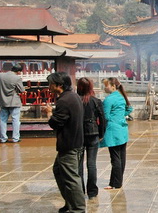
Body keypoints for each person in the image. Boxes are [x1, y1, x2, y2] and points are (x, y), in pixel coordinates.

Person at [45, 72, 85, 213]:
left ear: (59, 85)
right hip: (76, 141)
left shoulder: (64, 101)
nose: (49, 87)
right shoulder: (73, 96)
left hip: (69, 144)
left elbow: (56, 123)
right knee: (59, 171)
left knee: (71, 178)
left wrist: (49, 113)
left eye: (51, 84)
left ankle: (78, 208)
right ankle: (70, 203)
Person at [100, 77, 133, 189]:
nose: (105, 88)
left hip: (113, 130)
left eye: (106, 85)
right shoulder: (121, 97)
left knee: (115, 158)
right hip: (122, 129)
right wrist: (120, 117)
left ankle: (115, 183)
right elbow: (129, 109)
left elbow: (105, 116)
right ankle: (117, 182)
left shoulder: (109, 99)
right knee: (122, 156)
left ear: (113, 86)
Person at [76, 77, 106, 200]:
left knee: (78, 164)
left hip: (79, 134)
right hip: (93, 133)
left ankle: (80, 190)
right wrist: (101, 133)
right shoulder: (96, 101)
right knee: (91, 164)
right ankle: (92, 191)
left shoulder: (76, 100)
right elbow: (103, 119)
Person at [0, 64, 25, 143]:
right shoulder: (17, 78)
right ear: (18, 71)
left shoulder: (0, 75)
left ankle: (3, 138)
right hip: (14, 101)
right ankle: (15, 138)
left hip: (3, 101)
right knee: (15, 120)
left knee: (3, 120)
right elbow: (22, 90)